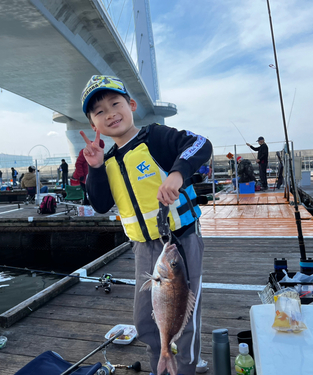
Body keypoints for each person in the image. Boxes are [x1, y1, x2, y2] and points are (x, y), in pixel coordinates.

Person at [79, 75, 212, 375]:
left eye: (115, 103)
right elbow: (99, 204)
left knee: (184, 317)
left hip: (180, 241)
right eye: (99, 111)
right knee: (145, 320)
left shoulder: (156, 138)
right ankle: (163, 365)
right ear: (93, 124)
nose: (110, 113)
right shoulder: (106, 160)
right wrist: (96, 168)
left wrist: (177, 174)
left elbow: (200, 144)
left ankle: (187, 368)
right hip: (143, 246)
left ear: (132, 105)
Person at [73, 139, 105, 205]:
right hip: (83, 176)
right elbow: (78, 164)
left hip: (89, 175)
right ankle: (88, 205)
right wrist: (81, 175)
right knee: (87, 191)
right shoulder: (85, 151)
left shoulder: (96, 153)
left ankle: (91, 205)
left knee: (91, 191)